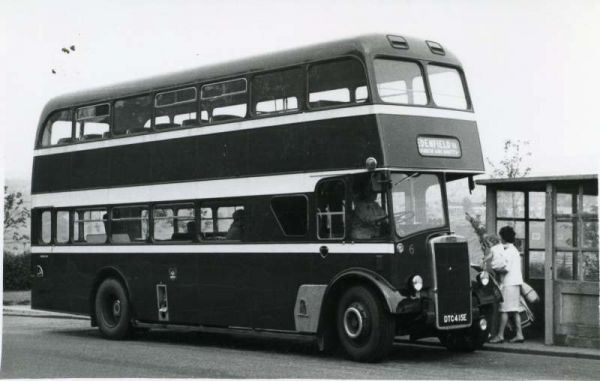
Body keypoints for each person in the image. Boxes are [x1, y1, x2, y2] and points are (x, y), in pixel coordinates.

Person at [489, 226, 525, 344]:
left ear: (503, 237)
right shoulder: (514, 250)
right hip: (516, 282)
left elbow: (505, 268)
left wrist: (495, 268)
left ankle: (500, 335)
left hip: (508, 283)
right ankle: (519, 334)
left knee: (504, 309)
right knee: (515, 310)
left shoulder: (508, 252)